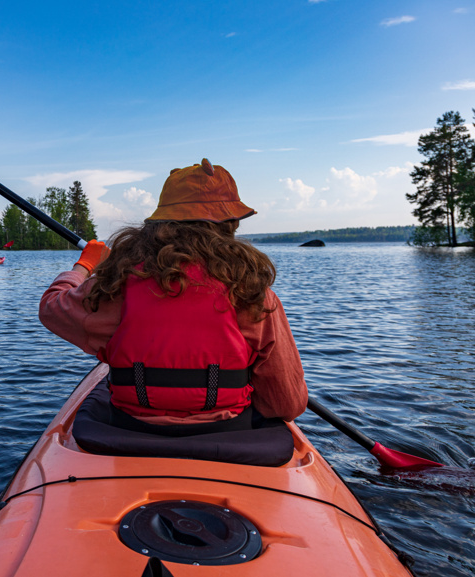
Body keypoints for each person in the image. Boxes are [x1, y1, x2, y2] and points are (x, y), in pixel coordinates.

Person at [39, 159, 307, 435]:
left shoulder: (116, 285)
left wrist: (86, 265)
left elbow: (51, 307)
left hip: (130, 431)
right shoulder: (252, 293)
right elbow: (286, 404)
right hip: (227, 435)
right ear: (229, 225)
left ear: (159, 222)